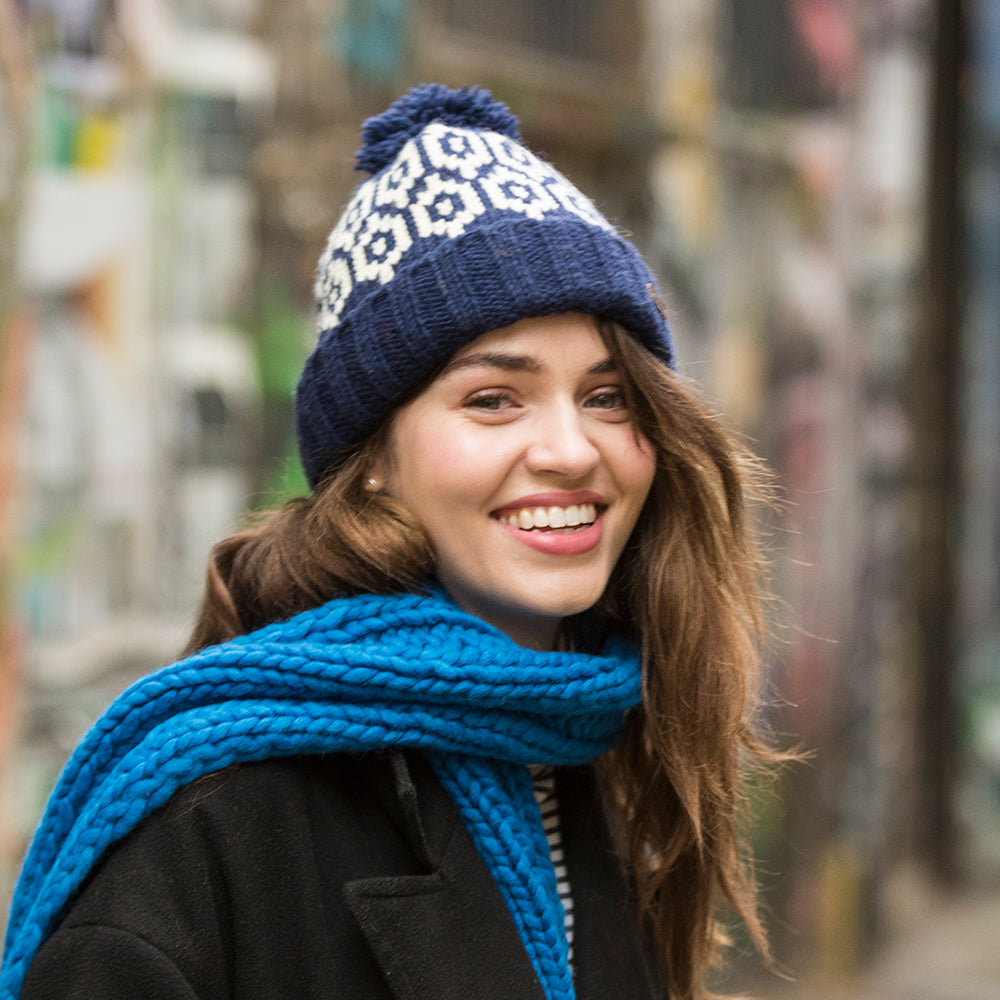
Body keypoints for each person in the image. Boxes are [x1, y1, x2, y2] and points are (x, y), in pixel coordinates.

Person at [2, 84, 778, 1000]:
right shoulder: (210, 816)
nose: (573, 451)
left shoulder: (590, 741)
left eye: (607, 397)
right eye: (494, 399)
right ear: (373, 458)